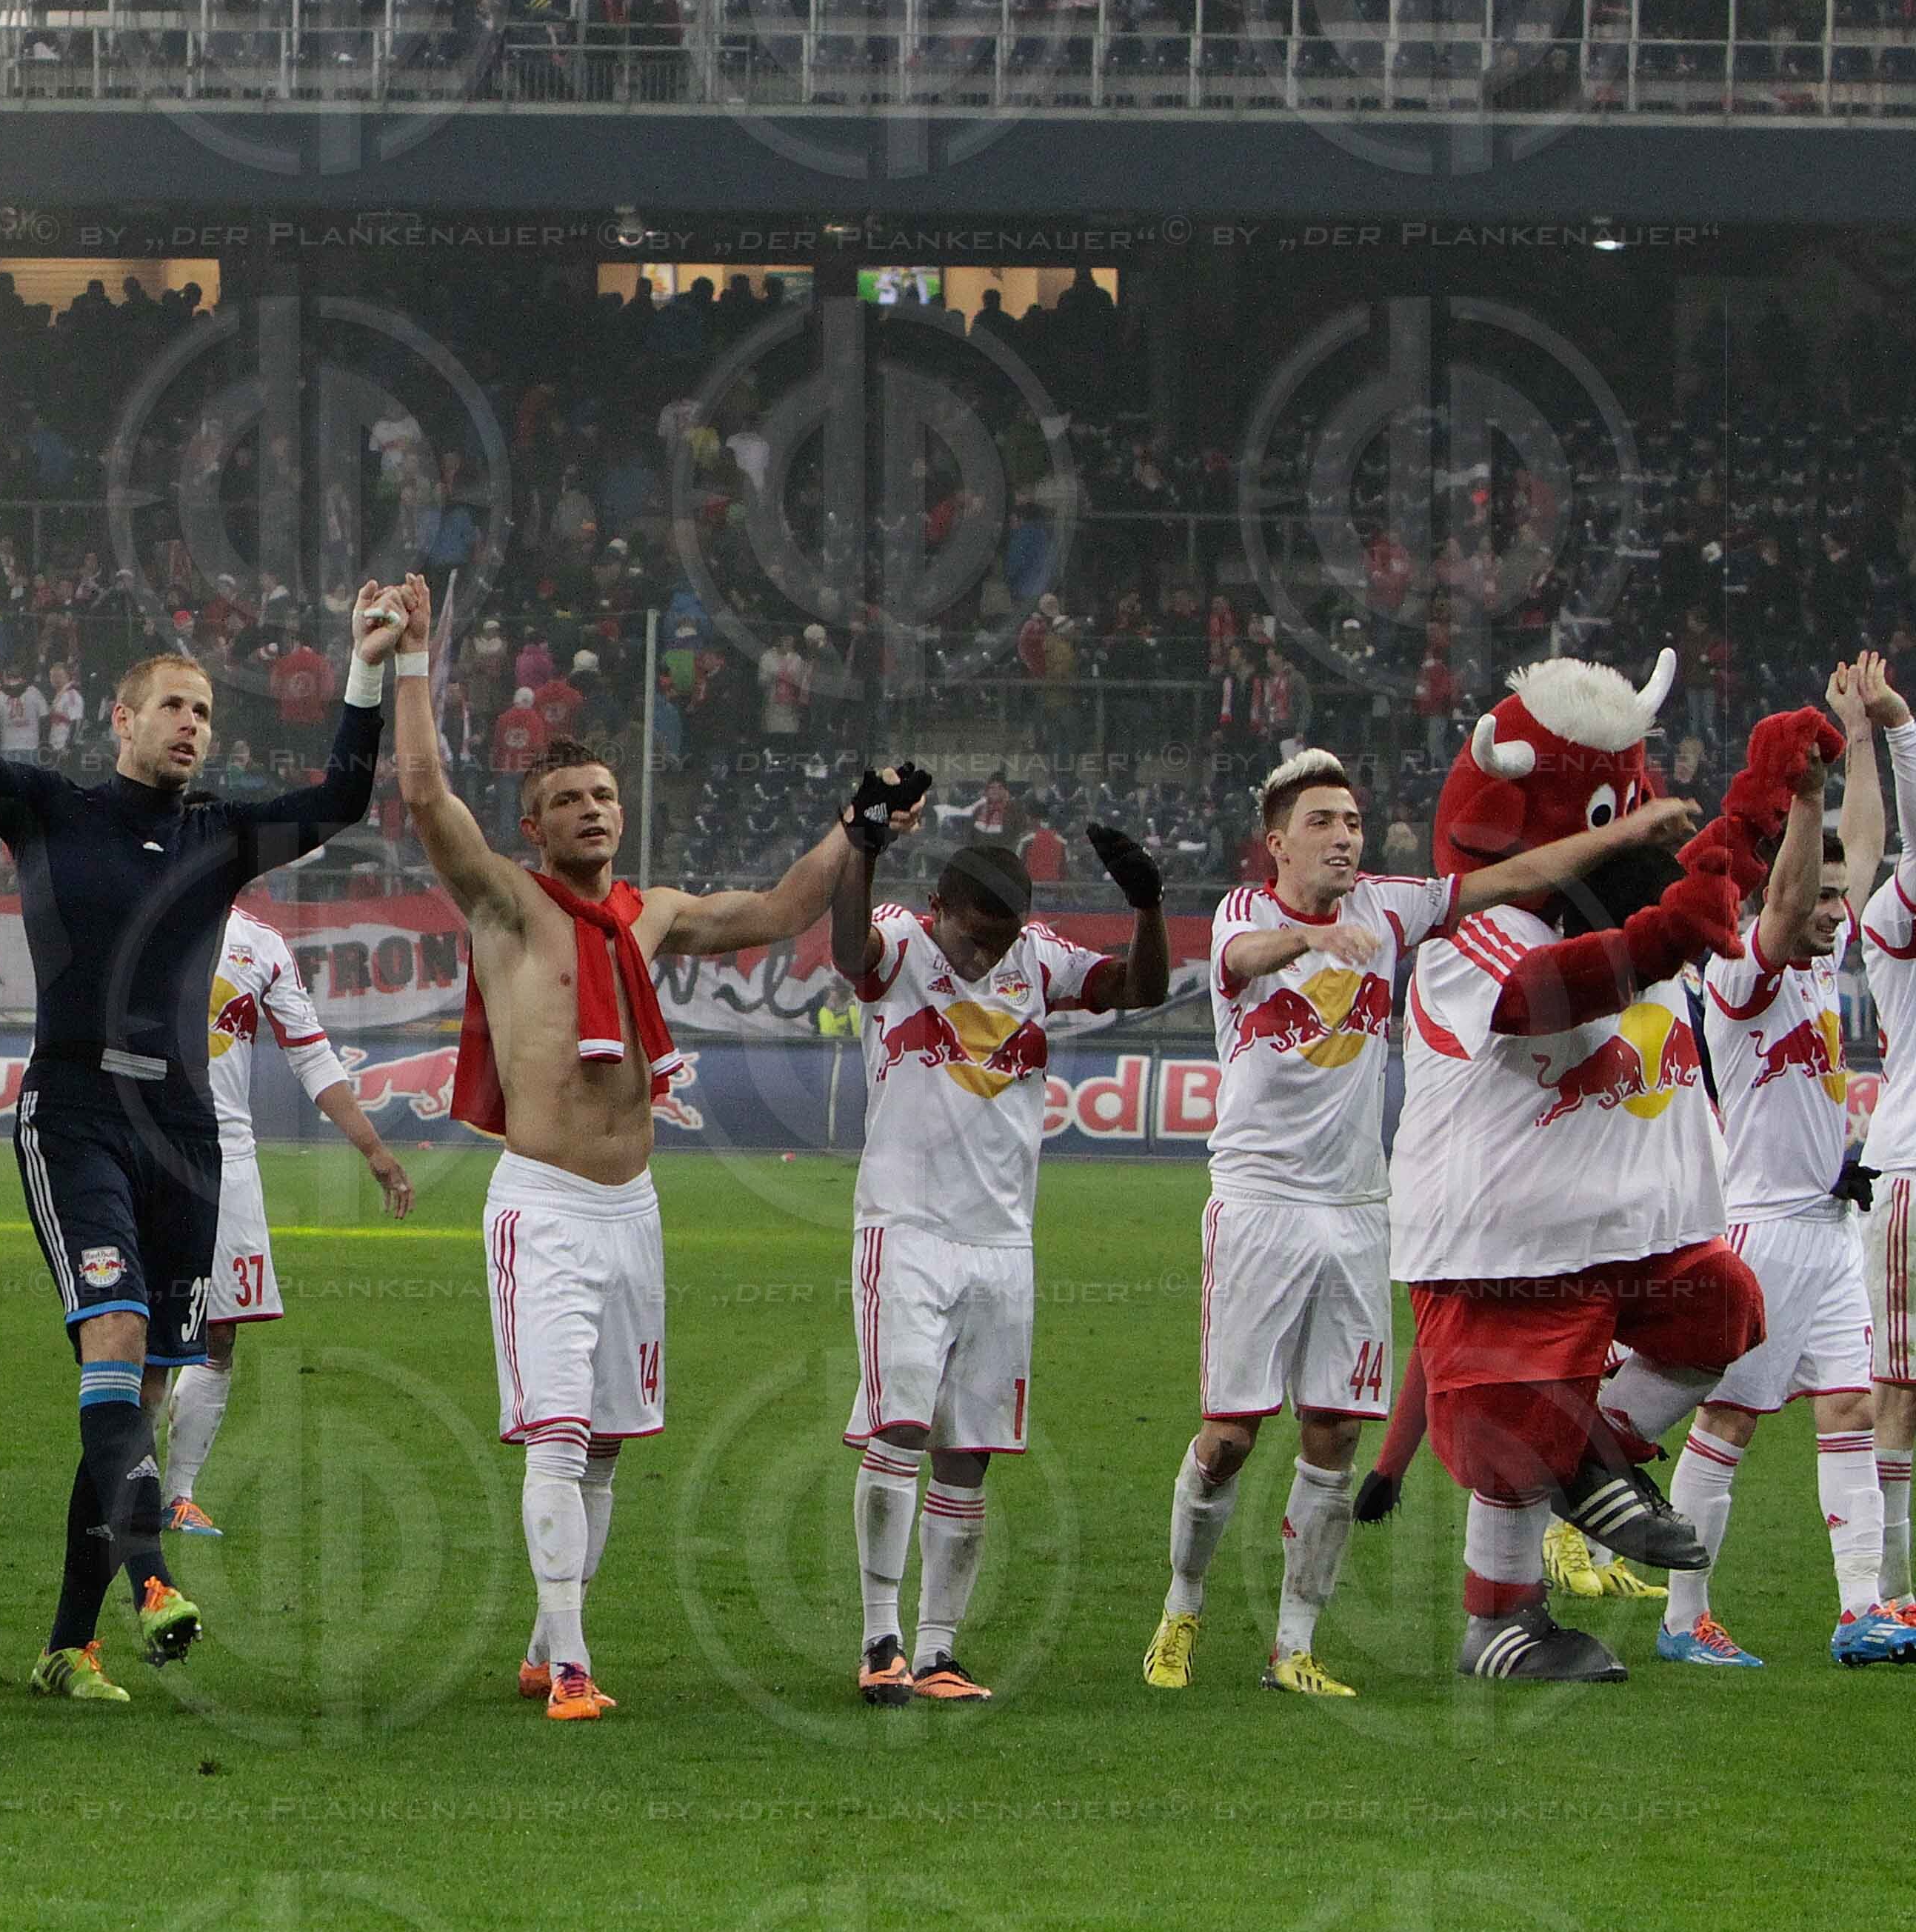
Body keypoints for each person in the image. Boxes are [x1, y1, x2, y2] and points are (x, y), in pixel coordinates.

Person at [398, 575, 912, 1720]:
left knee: (610, 1447)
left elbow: (781, 910)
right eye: (569, 799)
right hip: (544, 1202)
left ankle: (546, 1640)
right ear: (532, 826)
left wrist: (854, 828)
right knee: (559, 1427)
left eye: (604, 795)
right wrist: (410, 661)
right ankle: (574, 1668)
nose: (593, 810)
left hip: (634, 1208)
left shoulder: (653, 913)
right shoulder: (508, 907)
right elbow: (428, 796)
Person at [0, 529, 406, 1705]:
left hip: (184, 1138)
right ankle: (150, 1580)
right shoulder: (47, 810)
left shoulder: (219, 840)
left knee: (134, 1397)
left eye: (206, 711)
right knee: (115, 1345)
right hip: (78, 1108)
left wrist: (368, 667)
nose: (195, 725)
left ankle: (65, 1647)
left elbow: (343, 793)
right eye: (175, 708)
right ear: (121, 722)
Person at [1150, 746, 1696, 1696]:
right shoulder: (1250, 914)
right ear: (1275, 843)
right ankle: (1181, 1604)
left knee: (1331, 1435)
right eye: (1322, 822)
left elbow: (1513, 877)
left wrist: (1626, 830)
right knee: (1231, 1435)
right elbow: (1240, 956)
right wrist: (1312, 942)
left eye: (1353, 821)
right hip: (1258, 1206)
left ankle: (1292, 1648)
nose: (1343, 837)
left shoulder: (1390, 907)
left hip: (1360, 1209)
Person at [1386, 652, 1778, 1682]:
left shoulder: (1627, 917)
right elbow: (1532, 1002)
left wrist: (1769, 799)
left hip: (1624, 1230)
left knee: (1718, 1307)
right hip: (1500, 1233)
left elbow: (1710, 879)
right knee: (1515, 1418)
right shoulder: (1477, 932)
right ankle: (1501, 1620)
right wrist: (1654, 941)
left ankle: (1593, 1457)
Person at [833, 826, 1171, 1705]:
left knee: (968, 1451)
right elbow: (844, 950)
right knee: (898, 1426)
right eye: (972, 934)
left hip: (1001, 1242)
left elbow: (1140, 986)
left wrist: (1145, 905)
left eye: (1001, 936)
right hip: (904, 1229)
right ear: (939, 907)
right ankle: (879, 1638)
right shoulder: (900, 940)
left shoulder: (1039, 961)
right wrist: (859, 851)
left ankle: (939, 1649)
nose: (985, 952)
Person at [1659, 656, 1916, 1666]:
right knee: (1727, 1424)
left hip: (1829, 1226)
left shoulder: (1818, 966)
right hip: (1761, 1231)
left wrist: (1855, 745)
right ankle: (1685, 1621)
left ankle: (1863, 1610)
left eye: (1840, 905)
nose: (1833, 914)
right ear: (1780, 899)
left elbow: (1864, 845)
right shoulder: (1742, 974)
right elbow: (1799, 889)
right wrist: (1806, 797)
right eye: (1818, 902)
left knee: (1851, 1408)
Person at [156, 902, 413, 1542]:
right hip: (146, 1147)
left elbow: (313, 1057)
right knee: (140, 1333)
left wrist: (373, 1149)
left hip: (229, 1157)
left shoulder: (261, 946)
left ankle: (176, 1496)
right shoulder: (139, 915)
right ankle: (123, 1492)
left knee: (220, 1336)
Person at [1856, 658, 1916, 1607]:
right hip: (1910, 1173)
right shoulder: (1893, 923)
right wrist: (1894, 730)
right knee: (1899, 1388)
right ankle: (1890, 1589)